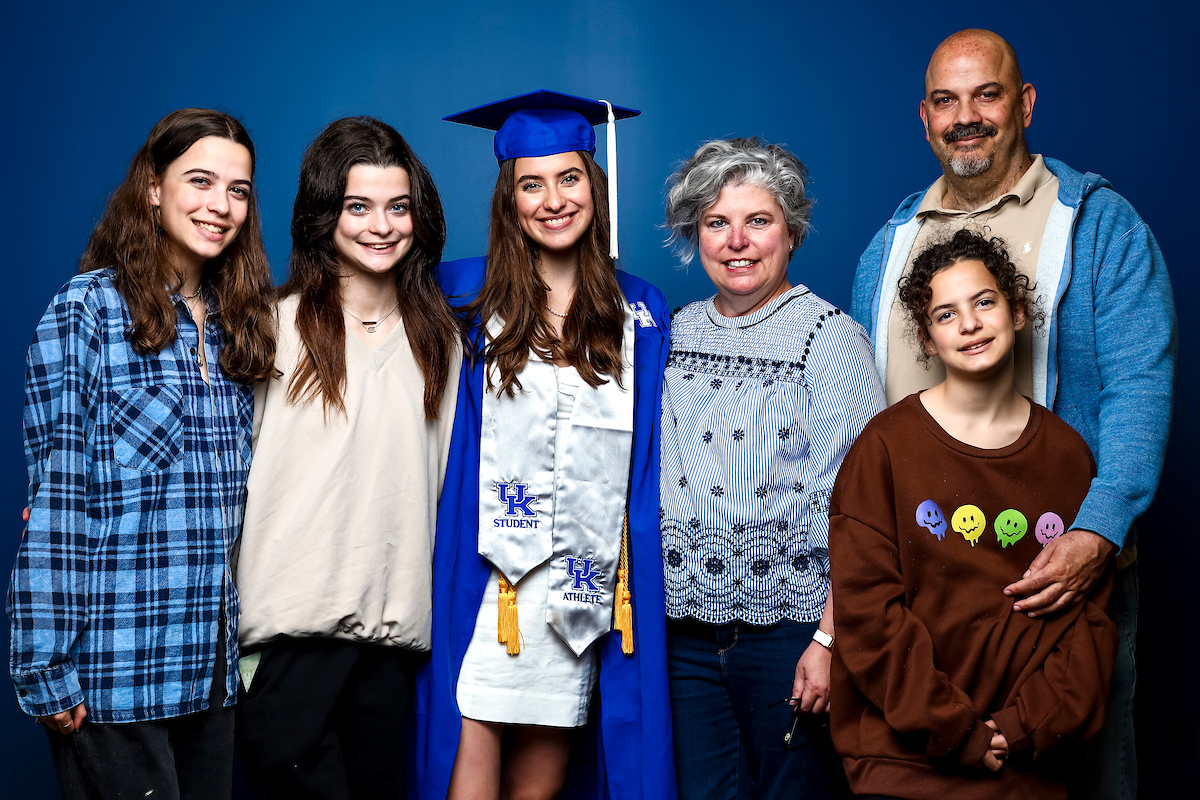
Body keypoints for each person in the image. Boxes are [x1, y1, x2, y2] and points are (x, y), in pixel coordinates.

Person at [850, 29, 1175, 799]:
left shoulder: (1098, 225)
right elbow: (865, 411)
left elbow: (1141, 388)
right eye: (945, 101)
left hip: (1056, 580)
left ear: (1023, 104)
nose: (967, 117)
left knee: (1080, 778)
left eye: (986, 94)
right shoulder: (891, 246)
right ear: (924, 118)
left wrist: (1097, 534)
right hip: (922, 596)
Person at [414, 90, 677, 800]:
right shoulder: (460, 296)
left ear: (595, 185)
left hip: (578, 597)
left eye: (569, 178)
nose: (553, 199)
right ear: (510, 199)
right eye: (532, 184)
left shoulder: (640, 312)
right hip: (485, 585)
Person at [8, 108, 276, 799]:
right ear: (153, 188)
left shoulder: (237, 325)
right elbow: (57, 498)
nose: (220, 206)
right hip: (115, 678)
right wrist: (43, 664)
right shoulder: (88, 312)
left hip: (209, 680)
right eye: (201, 181)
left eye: (238, 190)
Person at [830, 229, 1116, 800]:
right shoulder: (885, 447)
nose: (969, 323)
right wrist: (950, 726)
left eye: (984, 302)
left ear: (1017, 314)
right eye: (945, 313)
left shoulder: (1069, 457)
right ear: (927, 340)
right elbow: (867, 615)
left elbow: (1090, 627)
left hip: (1028, 760)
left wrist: (1017, 729)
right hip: (903, 759)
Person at [232, 117, 460, 800]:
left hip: (392, 640)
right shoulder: (267, 329)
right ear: (323, 213)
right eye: (358, 206)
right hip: (287, 634)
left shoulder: (444, 343)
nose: (380, 225)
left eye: (398, 207)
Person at [659, 137, 883, 799]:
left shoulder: (828, 337)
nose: (737, 241)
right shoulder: (672, 332)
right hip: (685, 637)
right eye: (716, 223)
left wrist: (831, 640)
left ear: (792, 231)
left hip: (791, 631)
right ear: (693, 233)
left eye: (757, 221)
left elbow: (865, 508)